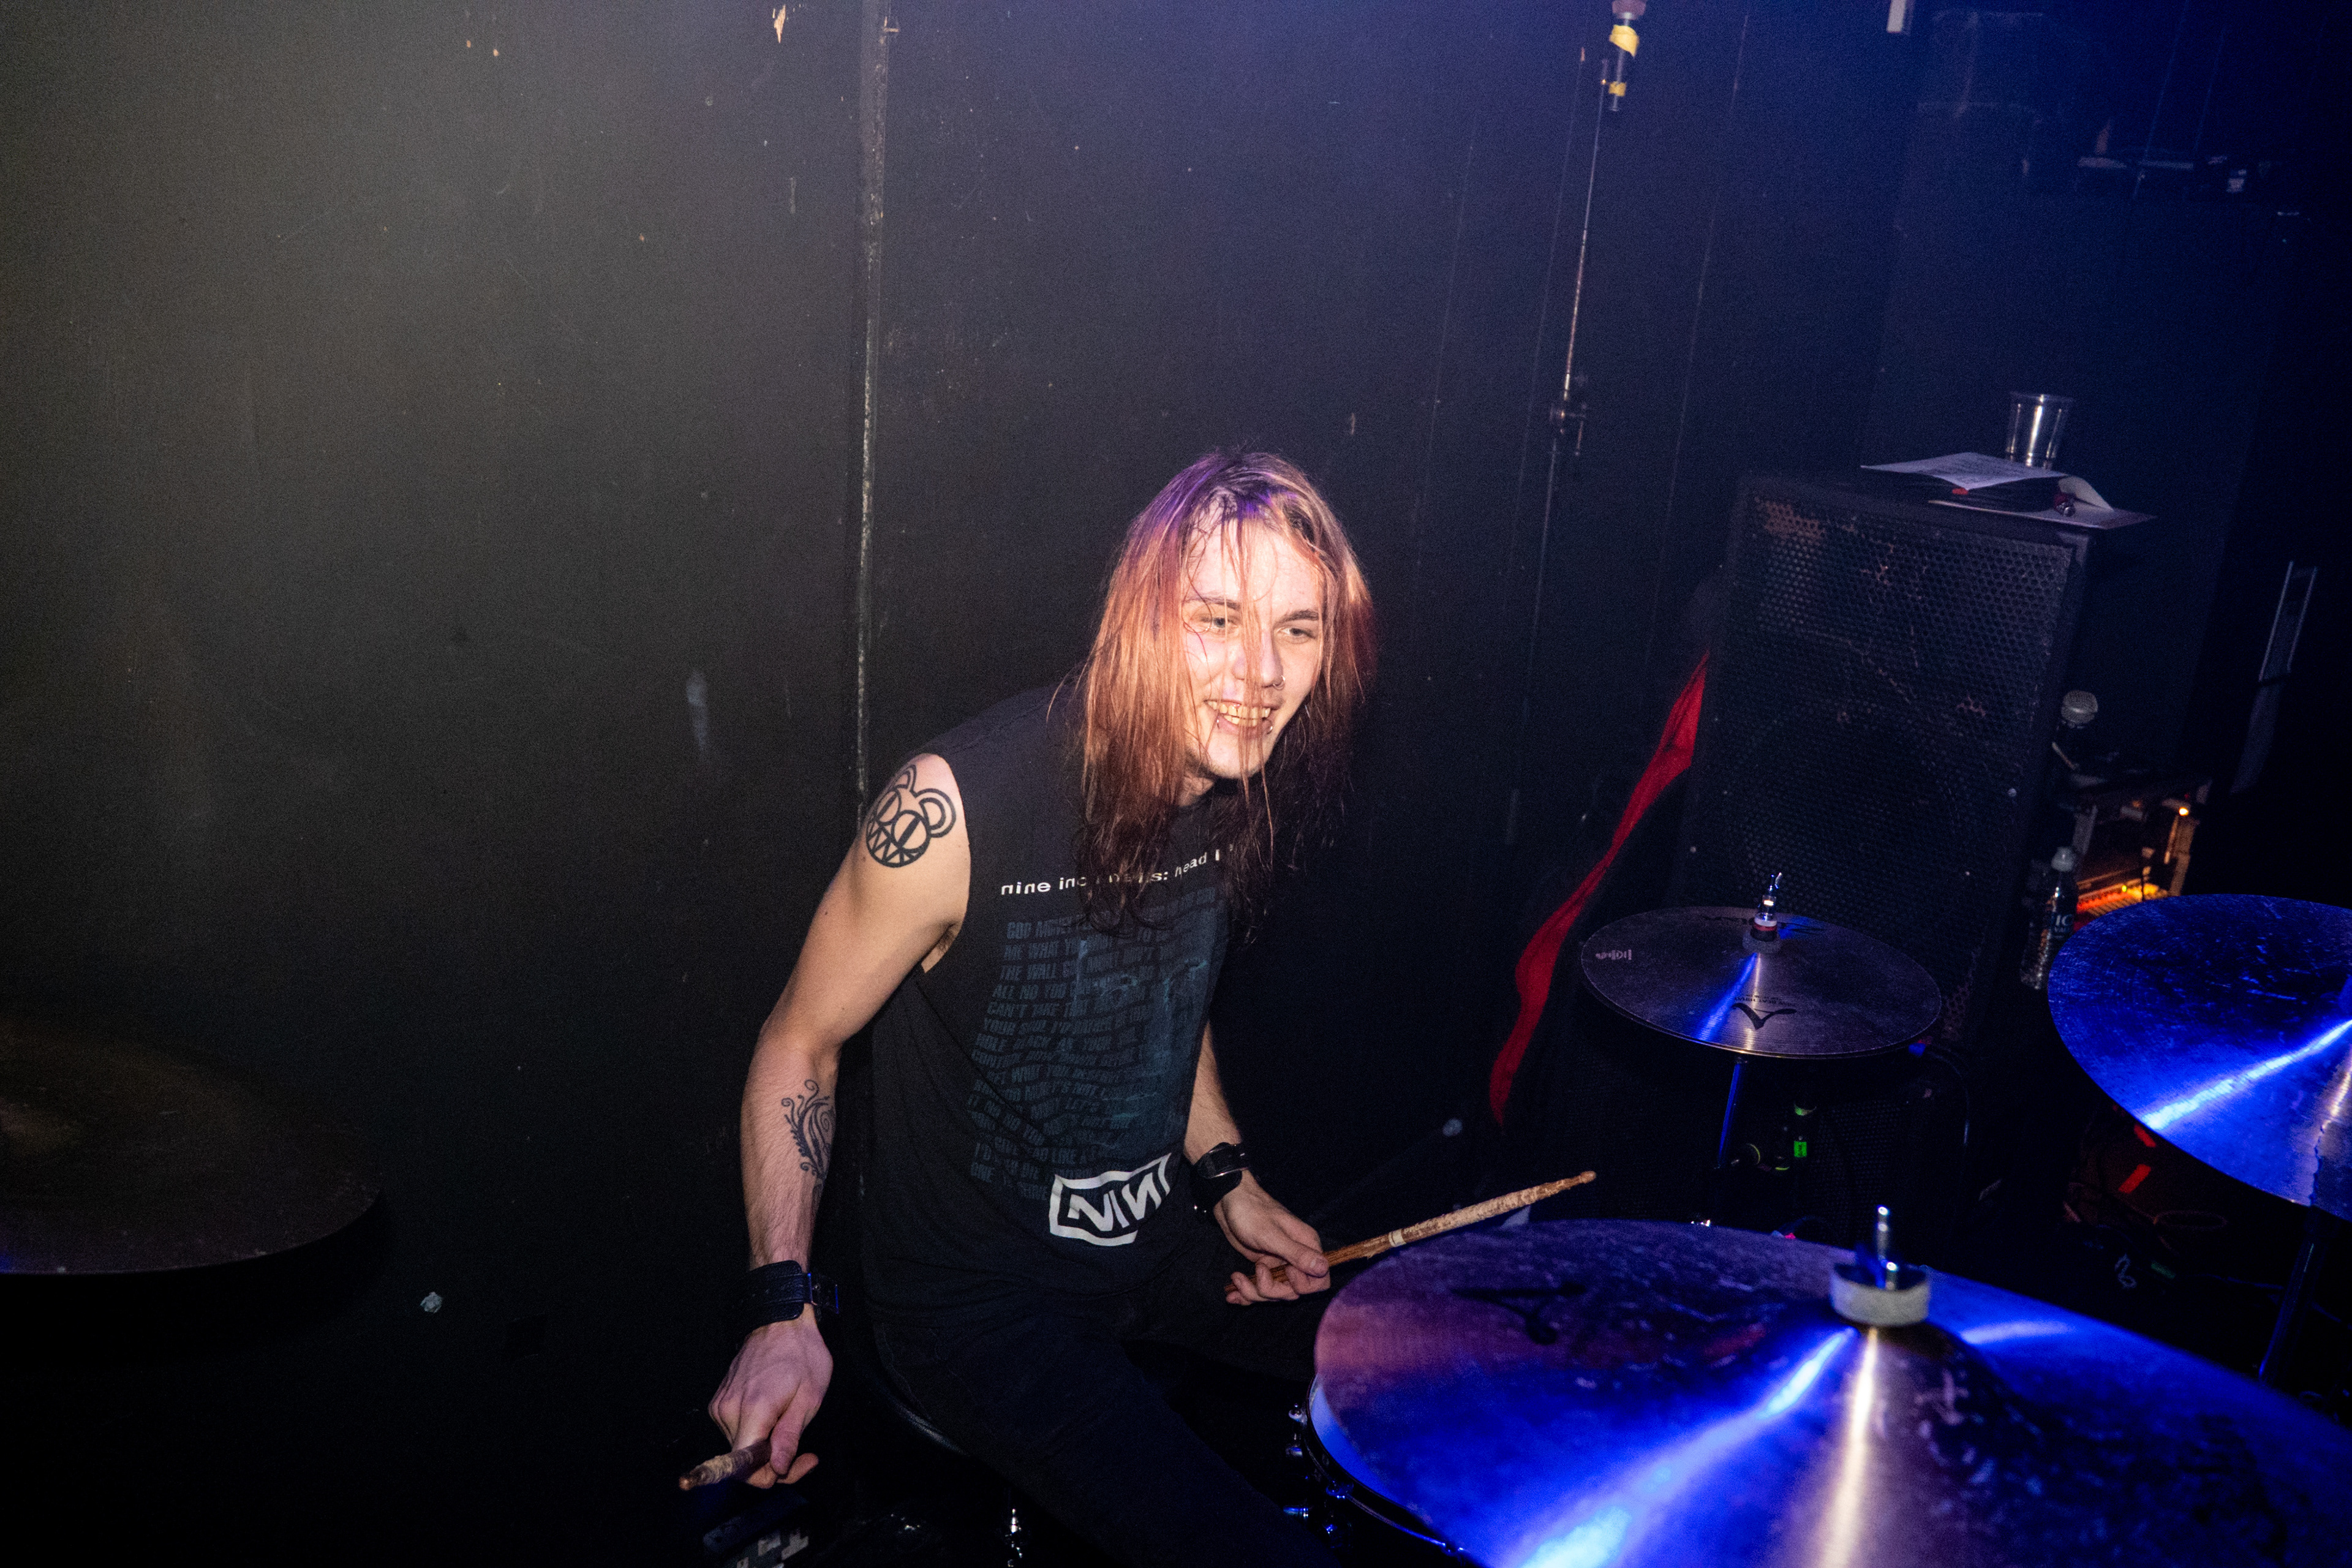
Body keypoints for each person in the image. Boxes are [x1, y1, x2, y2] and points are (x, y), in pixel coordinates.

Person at [707, 450, 1376, 1566]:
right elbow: (799, 1042)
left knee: (1432, 1357)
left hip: (1153, 1246)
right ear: (1139, 619)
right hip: (977, 1307)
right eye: (1217, 618)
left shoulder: (1238, 786)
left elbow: (1172, 991)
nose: (1259, 672)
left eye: (1296, 630)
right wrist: (782, 1305)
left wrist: (1224, 1173)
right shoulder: (954, 811)